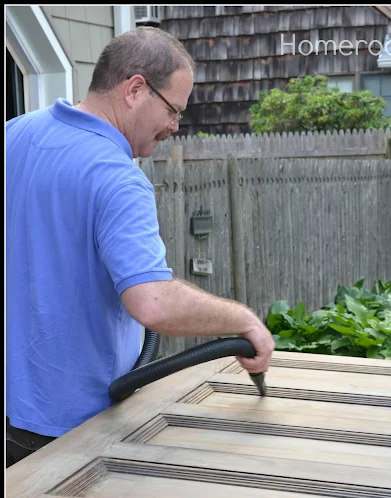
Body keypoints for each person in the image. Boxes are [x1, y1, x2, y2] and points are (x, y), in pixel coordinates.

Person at [6, 27, 275, 468]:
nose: (174, 126)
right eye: (173, 110)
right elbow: (153, 303)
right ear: (134, 89)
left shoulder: (15, 135)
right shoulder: (116, 176)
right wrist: (243, 320)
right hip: (75, 430)